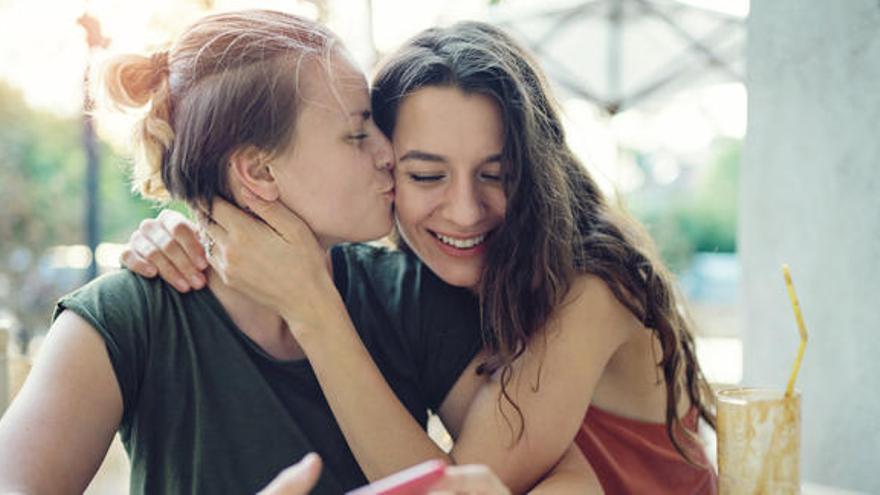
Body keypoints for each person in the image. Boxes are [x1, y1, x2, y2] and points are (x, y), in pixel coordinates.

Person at [0, 10, 590, 494]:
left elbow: (564, 478)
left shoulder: (409, 293)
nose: (389, 152)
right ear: (259, 171)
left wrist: (314, 306)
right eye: (358, 132)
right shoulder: (125, 319)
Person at [125, 20, 718, 495]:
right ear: (382, 165)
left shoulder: (592, 289)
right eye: (426, 174)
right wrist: (185, 234)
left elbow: (455, 488)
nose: (464, 210)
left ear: (538, 175)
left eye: (498, 175)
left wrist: (313, 307)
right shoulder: (417, 280)